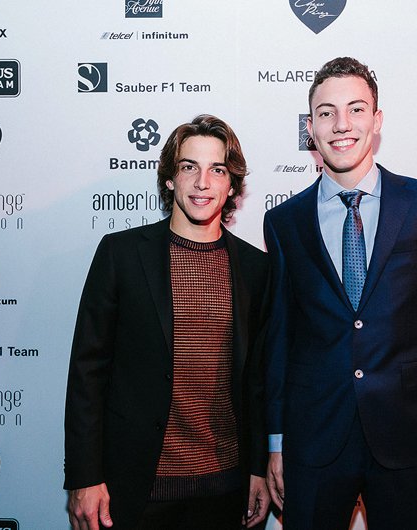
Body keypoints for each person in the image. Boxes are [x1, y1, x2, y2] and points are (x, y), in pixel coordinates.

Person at [262, 57, 417, 529]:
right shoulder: (284, 222)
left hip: (407, 435)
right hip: (313, 440)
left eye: (356, 109)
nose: (341, 124)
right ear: (311, 128)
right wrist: (276, 442)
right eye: (326, 113)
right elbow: (279, 339)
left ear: (377, 120)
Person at [64, 114, 270, 530]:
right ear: (170, 179)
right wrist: (85, 475)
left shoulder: (256, 268)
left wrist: (257, 468)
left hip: (224, 489)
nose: (202, 182)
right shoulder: (121, 254)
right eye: (189, 167)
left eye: (217, 170)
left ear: (232, 186)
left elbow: (259, 382)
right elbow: (87, 372)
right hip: (133, 489)